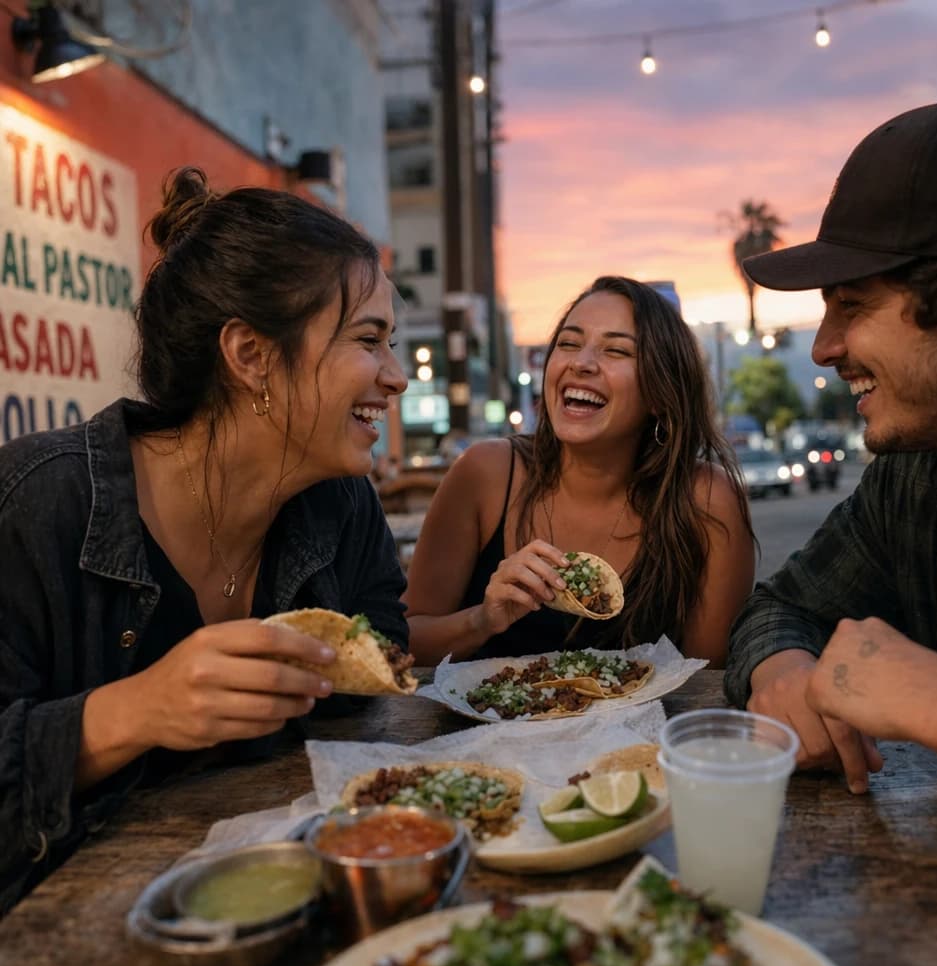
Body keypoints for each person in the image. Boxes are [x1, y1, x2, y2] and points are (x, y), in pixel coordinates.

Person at [0, 168, 408, 912]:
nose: (397, 376)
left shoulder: (342, 505)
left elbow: (385, 654)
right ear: (250, 355)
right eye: (370, 341)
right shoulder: (38, 503)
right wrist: (138, 709)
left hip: (282, 901)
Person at [723, 93, 937, 829]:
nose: (823, 348)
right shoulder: (917, 479)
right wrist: (785, 671)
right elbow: (779, 607)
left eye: (853, 306)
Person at [404, 275, 755, 666]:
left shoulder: (706, 500)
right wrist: (483, 619)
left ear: (660, 392)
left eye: (617, 351)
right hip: (489, 727)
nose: (581, 363)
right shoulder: (485, 473)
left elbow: (708, 680)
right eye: (568, 344)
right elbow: (406, 642)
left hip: (647, 728)